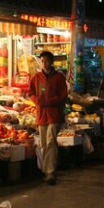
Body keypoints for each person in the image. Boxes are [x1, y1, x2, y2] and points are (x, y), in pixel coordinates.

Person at [28, 50, 68, 185]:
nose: (44, 63)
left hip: (54, 114)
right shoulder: (36, 77)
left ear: (51, 62)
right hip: (41, 115)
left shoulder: (59, 77)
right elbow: (30, 92)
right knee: (44, 144)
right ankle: (46, 171)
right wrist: (36, 100)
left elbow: (63, 95)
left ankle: (50, 172)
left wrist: (52, 101)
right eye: (42, 61)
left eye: (46, 61)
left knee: (51, 141)